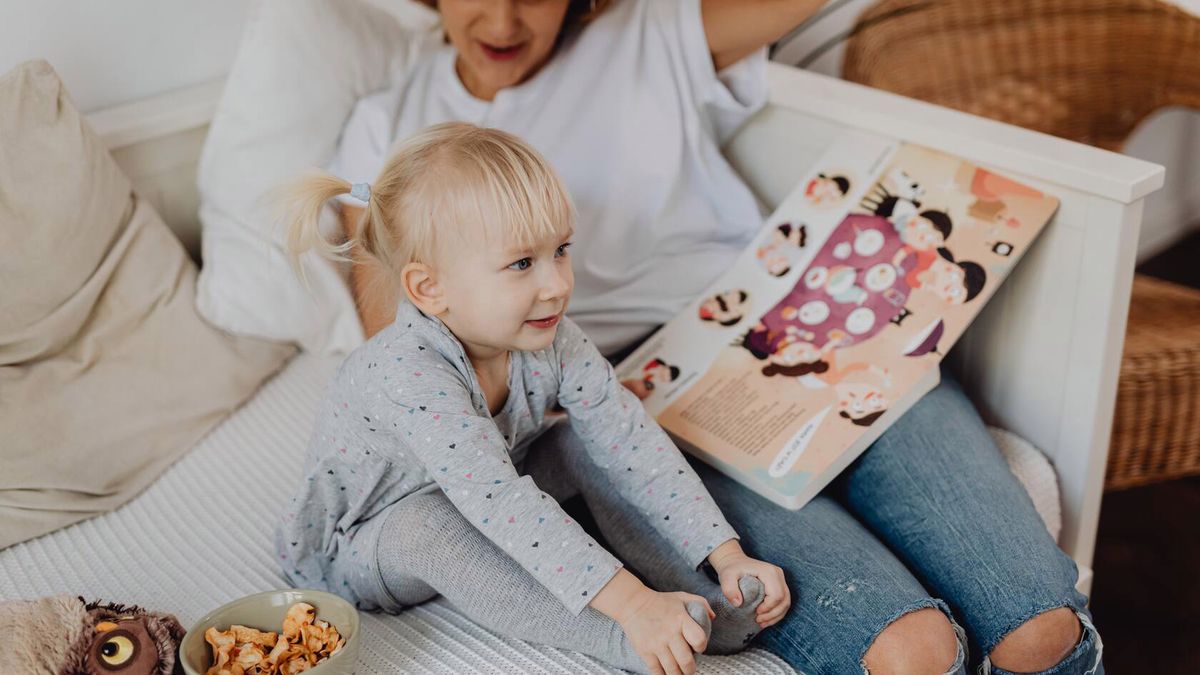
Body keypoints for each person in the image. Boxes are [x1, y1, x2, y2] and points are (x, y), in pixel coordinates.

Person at [328, 2, 1103, 673]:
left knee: (1040, 630)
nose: (502, 20)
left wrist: (724, 552)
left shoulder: (647, 31)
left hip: (795, 330)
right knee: (913, 651)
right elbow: (407, 340)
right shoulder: (390, 132)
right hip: (651, 382)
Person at [274, 123, 790, 675]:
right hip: (367, 544)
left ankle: (699, 602)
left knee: (579, 442)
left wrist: (724, 553)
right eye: (522, 264)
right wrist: (630, 605)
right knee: (431, 526)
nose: (556, 285)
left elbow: (630, 442)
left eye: (561, 250)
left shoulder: (549, 334)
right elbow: (499, 502)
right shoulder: (407, 371)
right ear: (430, 290)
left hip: (487, 482)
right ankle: (621, 638)